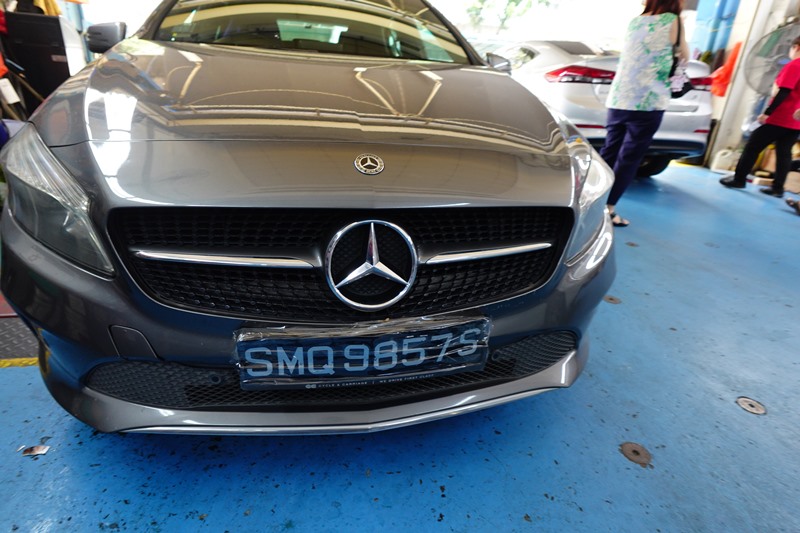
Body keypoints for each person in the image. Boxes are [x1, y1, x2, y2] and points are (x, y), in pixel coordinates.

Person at [599, 0, 688, 227]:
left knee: (609, 153)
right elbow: (684, 56)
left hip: (619, 99)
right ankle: (609, 209)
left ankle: (593, 205)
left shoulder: (635, 21)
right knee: (629, 158)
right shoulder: (673, 20)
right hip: (648, 101)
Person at [720, 37, 800, 198]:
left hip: (781, 115)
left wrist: (768, 112)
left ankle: (739, 179)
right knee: (784, 153)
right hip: (796, 121)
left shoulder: (794, 65)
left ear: (796, 47)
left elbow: (784, 91)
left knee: (753, 146)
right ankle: (778, 188)